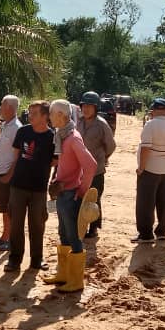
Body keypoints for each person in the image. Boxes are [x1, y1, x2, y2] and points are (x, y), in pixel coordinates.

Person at [43, 99, 96, 291]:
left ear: (61, 115)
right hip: (63, 193)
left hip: (70, 194)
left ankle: (75, 281)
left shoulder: (72, 138)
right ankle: (64, 274)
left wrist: (81, 193)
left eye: (51, 114)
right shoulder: (62, 136)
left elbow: (90, 166)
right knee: (63, 233)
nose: (49, 117)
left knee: (73, 236)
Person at [2, 100, 56, 272]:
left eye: (34, 113)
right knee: (16, 224)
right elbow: (16, 157)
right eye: (29, 113)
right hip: (18, 186)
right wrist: (9, 176)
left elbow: (56, 161)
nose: (29, 116)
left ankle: (37, 259)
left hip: (39, 188)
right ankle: (14, 259)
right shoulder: (23, 131)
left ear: (45, 116)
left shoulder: (52, 137)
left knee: (37, 224)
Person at [133, 98, 165, 244]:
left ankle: (146, 234)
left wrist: (141, 167)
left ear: (155, 110)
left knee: (145, 203)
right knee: (163, 201)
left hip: (150, 169)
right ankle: (162, 231)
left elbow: (146, 148)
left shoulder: (150, 125)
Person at [76, 91, 116, 238]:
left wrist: (102, 158)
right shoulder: (78, 122)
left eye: (89, 106)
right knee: (79, 197)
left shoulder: (102, 124)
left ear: (96, 108)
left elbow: (111, 145)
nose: (86, 109)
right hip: (80, 169)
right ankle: (80, 226)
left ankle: (93, 227)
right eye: (84, 106)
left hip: (96, 170)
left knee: (94, 198)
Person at [0, 95, 21, 251]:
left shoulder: (16, 127)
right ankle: (4, 236)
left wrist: (10, 174)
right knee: (3, 207)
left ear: (9, 107)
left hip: (8, 174)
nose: (0, 107)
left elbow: (18, 154)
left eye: (2, 105)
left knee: (10, 208)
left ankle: (11, 239)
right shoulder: (7, 125)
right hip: (0, 172)